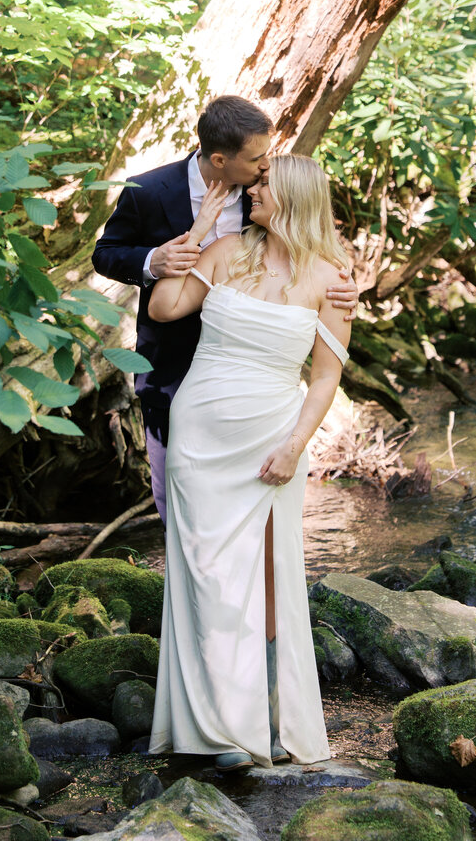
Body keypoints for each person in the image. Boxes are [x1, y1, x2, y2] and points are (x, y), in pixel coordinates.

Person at [147, 155, 351, 772]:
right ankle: (213, 730)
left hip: (271, 435)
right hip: (200, 430)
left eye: (262, 185)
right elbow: (163, 310)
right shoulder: (225, 250)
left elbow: (324, 377)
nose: (251, 191)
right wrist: (194, 232)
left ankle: (260, 719)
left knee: (266, 578)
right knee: (205, 574)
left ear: (291, 197)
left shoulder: (331, 279)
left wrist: (294, 446)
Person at [91, 96, 357, 522]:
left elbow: (301, 245)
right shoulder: (150, 191)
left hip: (257, 370)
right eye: (256, 159)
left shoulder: (261, 198)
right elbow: (105, 255)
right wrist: (152, 261)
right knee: (176, 501)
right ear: (219, 159)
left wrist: (342, 290)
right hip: (173, 368)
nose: (262, 168)